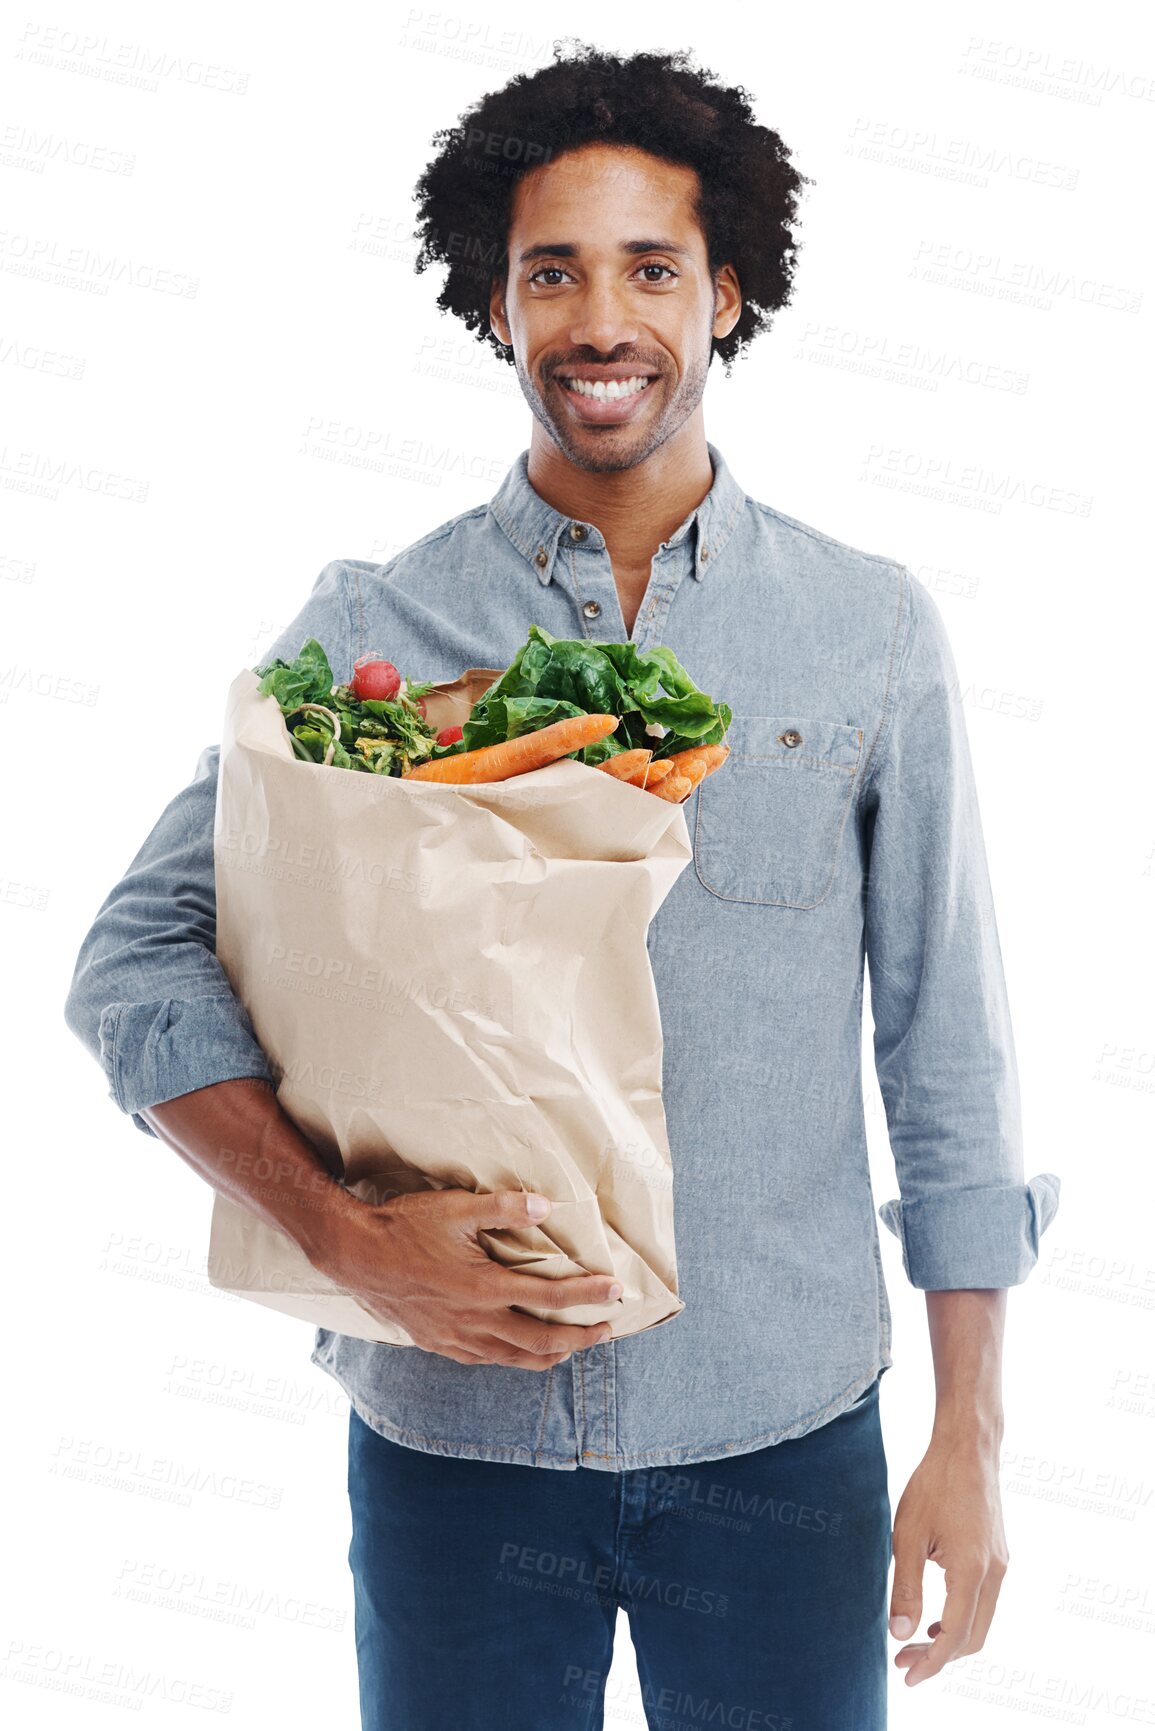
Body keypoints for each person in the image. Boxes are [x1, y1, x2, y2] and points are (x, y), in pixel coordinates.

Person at [64, 41, 1061, 1731]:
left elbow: (945, 1046)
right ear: (498, 305)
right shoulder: (371, 634)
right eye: (553, 272)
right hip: (452, 1447)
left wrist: (968, 1437)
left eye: (651, 268)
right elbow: (134, 960)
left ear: (729, 292)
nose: (602, 320)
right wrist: (355, 1243)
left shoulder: (867, 628)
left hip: (785, 1443)